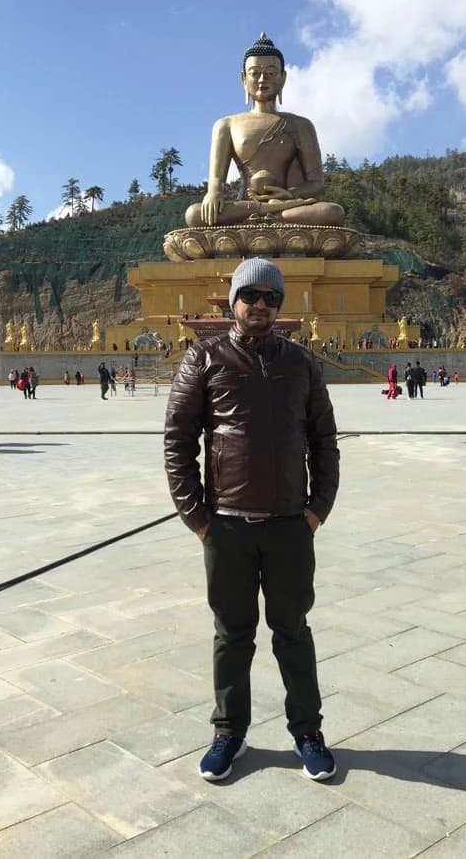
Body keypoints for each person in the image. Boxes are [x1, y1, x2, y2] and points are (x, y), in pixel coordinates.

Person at [164, 257, 339, 783]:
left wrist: (317, 509)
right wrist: (197, 517)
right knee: (232, 633)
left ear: (280, 306)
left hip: (289, 522)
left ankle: (307, 731)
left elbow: (323, 440)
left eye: (271, 298)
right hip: (227, 525)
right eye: (251, 295)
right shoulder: (204, 358)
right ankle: (228, 732)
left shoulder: (302, 363)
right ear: (234, 301)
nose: (260, 305)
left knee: (293, 632)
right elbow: (177, 440)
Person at [184, 34, 344, 229]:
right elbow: (216, 183)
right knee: (194, 215)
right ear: (244, 78)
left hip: (286, 206)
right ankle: (265, 215)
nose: (262, 79)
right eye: (255, 73)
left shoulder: (301, 125)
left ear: (282, 78)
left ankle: (270, 218)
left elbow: (316, 183)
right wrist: (213, 193)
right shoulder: (226, 125)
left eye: (270, 73)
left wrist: (290, 195)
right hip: (246, 205)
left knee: (332, 212)